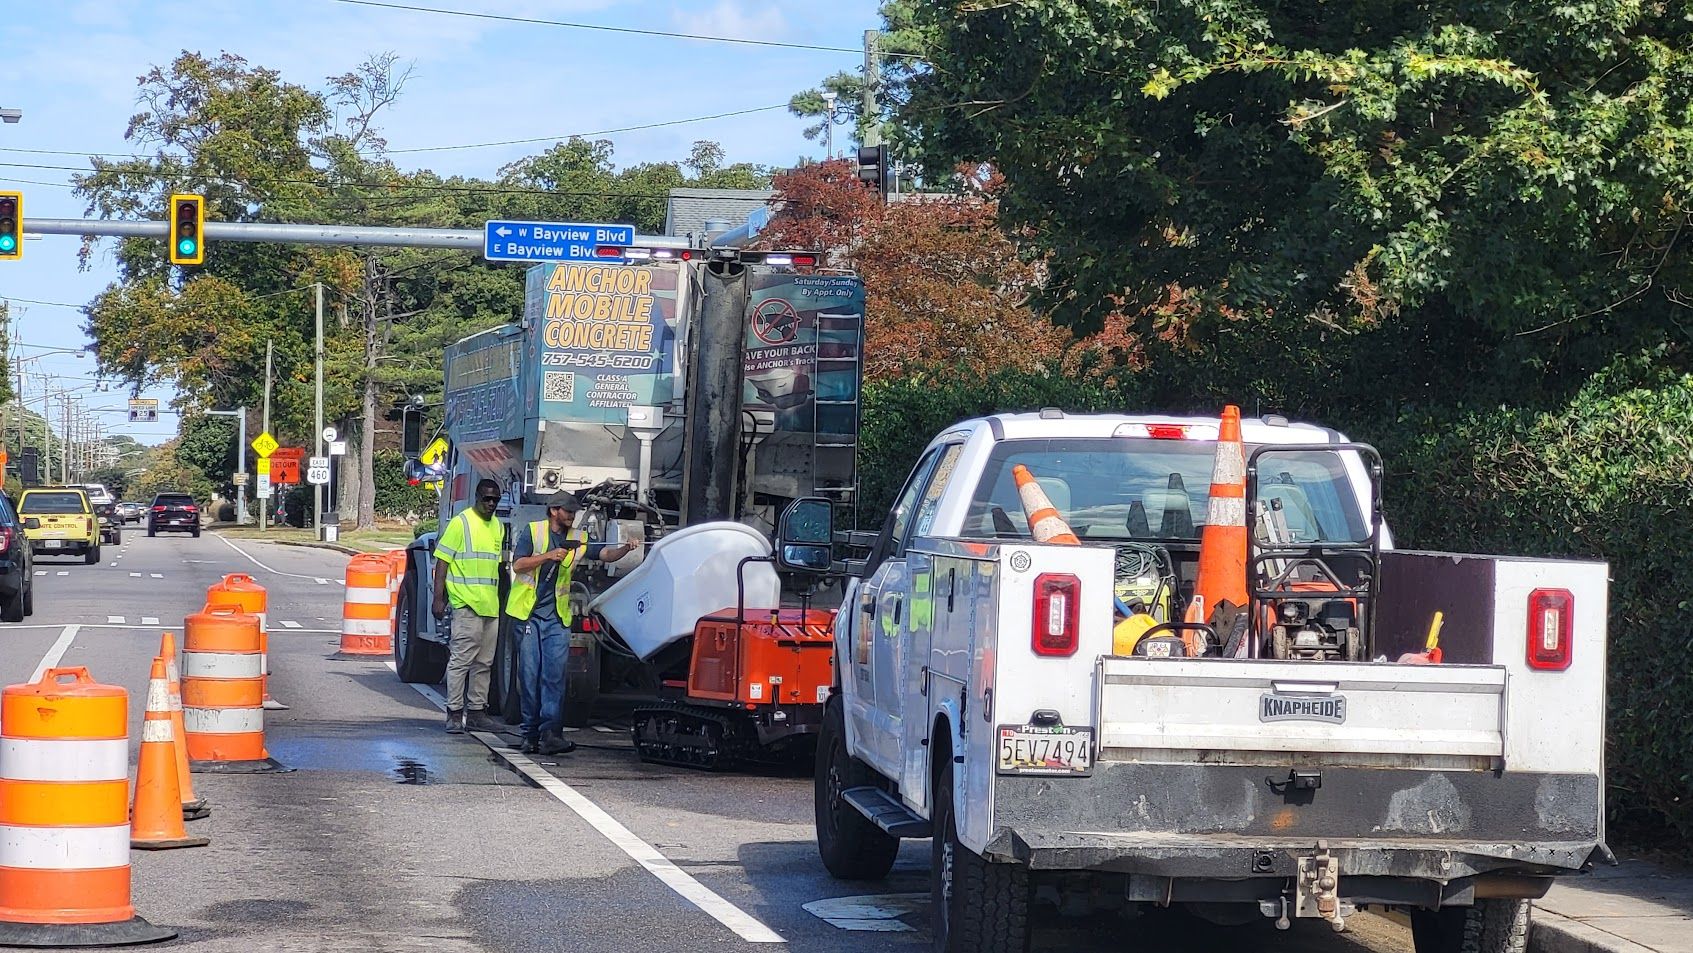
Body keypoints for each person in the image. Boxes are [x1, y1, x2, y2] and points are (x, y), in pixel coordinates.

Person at [508, 492, 635, 755]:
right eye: (568, 511)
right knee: (529, 677)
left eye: (574, 512)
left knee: (554, 678)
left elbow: (605, 553)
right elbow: (518, 564)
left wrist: (625, 549)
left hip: (557, 617)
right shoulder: (534, 532)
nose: (572, 516)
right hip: (527, 614)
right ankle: (529, 734)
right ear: (554, 511)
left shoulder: (578, 538)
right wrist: (547, 556)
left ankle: (551, 734)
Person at [432, 478, 506, 734]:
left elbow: (495, 566)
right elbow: (442, 561)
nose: (491, 503)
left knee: (484, 663)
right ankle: (454, 713)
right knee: (461, 660)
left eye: (495, 499)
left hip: (489, 605)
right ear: (477, 497)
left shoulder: (497, 526)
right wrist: (438, 598)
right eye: (487, 498)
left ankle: (476, 711)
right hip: (466, 604)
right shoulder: (461, 523)